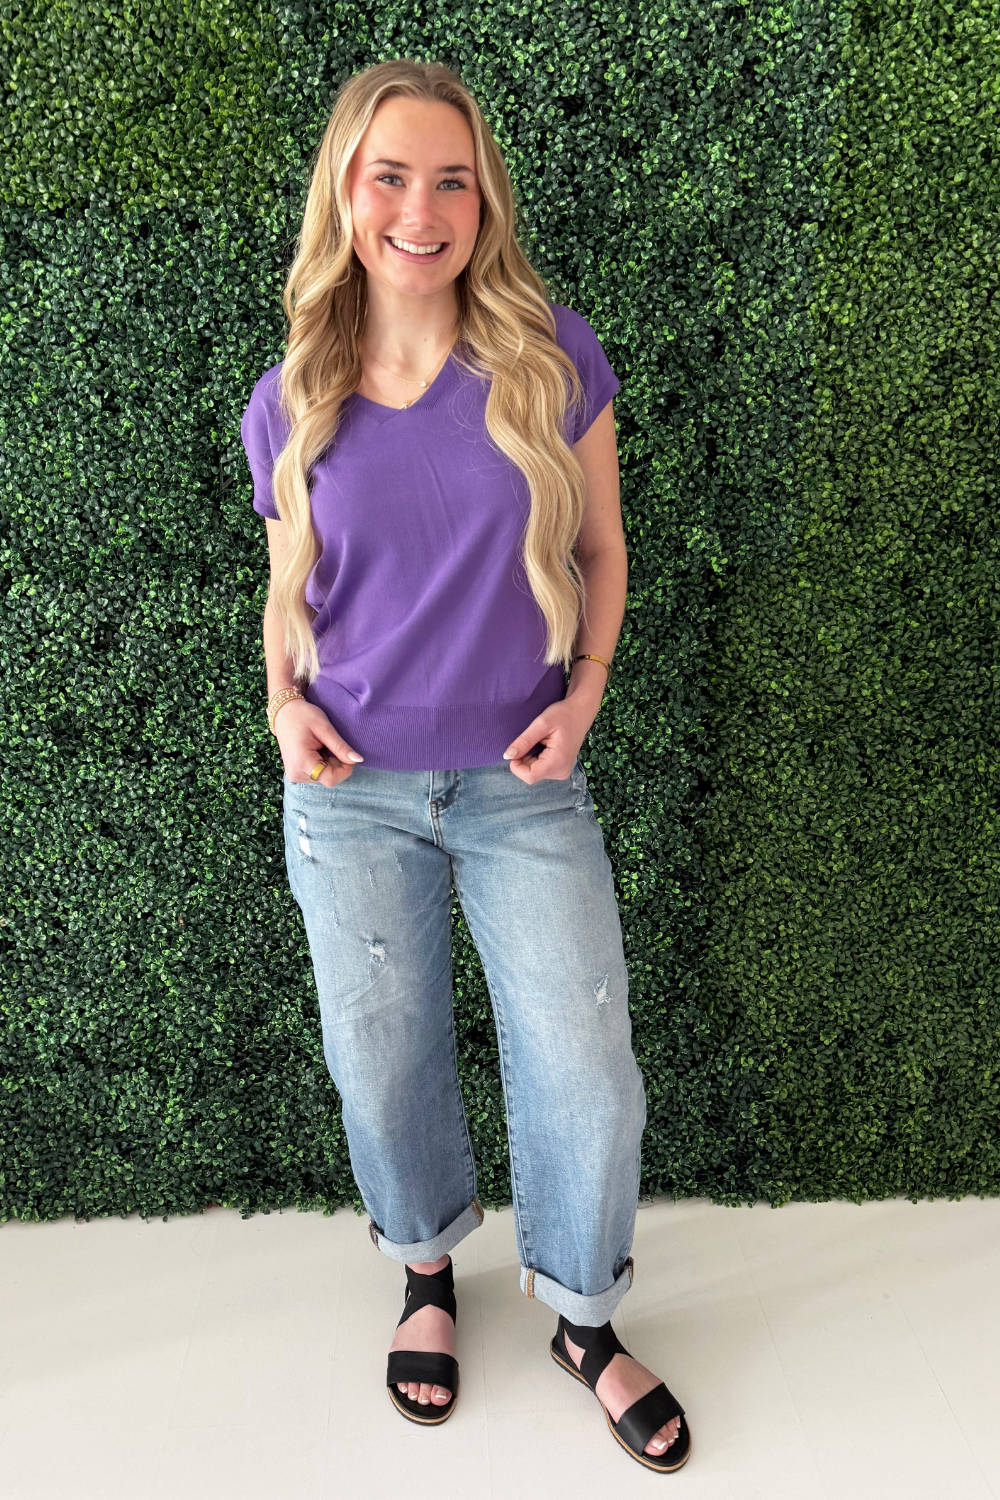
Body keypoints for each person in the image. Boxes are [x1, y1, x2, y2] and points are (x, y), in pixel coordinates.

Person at [239, 56, 691, 1473]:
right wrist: (281, 705)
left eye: (451, 181)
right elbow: (288, 592)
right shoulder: (290, 397)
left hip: (521, 784)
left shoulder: (553, 359)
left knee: (586, 1065)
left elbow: (602, 548)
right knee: (382, 1064)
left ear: (483, 200)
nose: (420, 211)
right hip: (349, 793)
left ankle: (583, 1319)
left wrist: (588, 691)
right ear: (346, 192)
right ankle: (427, 1274)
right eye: (390, 177)